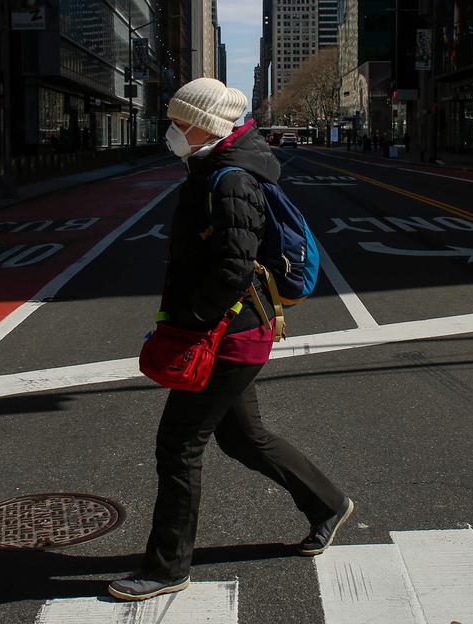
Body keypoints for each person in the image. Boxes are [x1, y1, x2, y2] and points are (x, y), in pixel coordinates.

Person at [109, 77, 353, 602]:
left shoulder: (231, 179)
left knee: (178, 445)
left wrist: (190, 325)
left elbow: (231, 269)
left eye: (181, 121)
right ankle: (328, 504)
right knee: (242, 436)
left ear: (210, 125)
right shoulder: (212, 167)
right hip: (235, 330)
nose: (173, 129)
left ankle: (167, 567)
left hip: (230, 334)